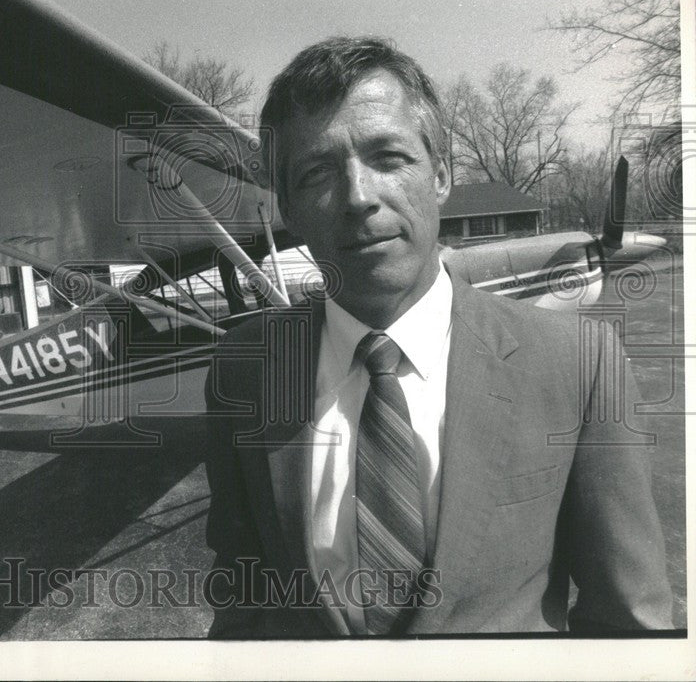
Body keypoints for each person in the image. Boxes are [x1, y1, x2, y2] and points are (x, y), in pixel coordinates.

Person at [202, 37, 673, 637]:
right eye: (317, 171)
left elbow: (630, 627)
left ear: (442, 174)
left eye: (389, 158)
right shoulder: (244, 369)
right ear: (287, 210)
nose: (359, 197)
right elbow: (242, 598)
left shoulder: (581, 365)